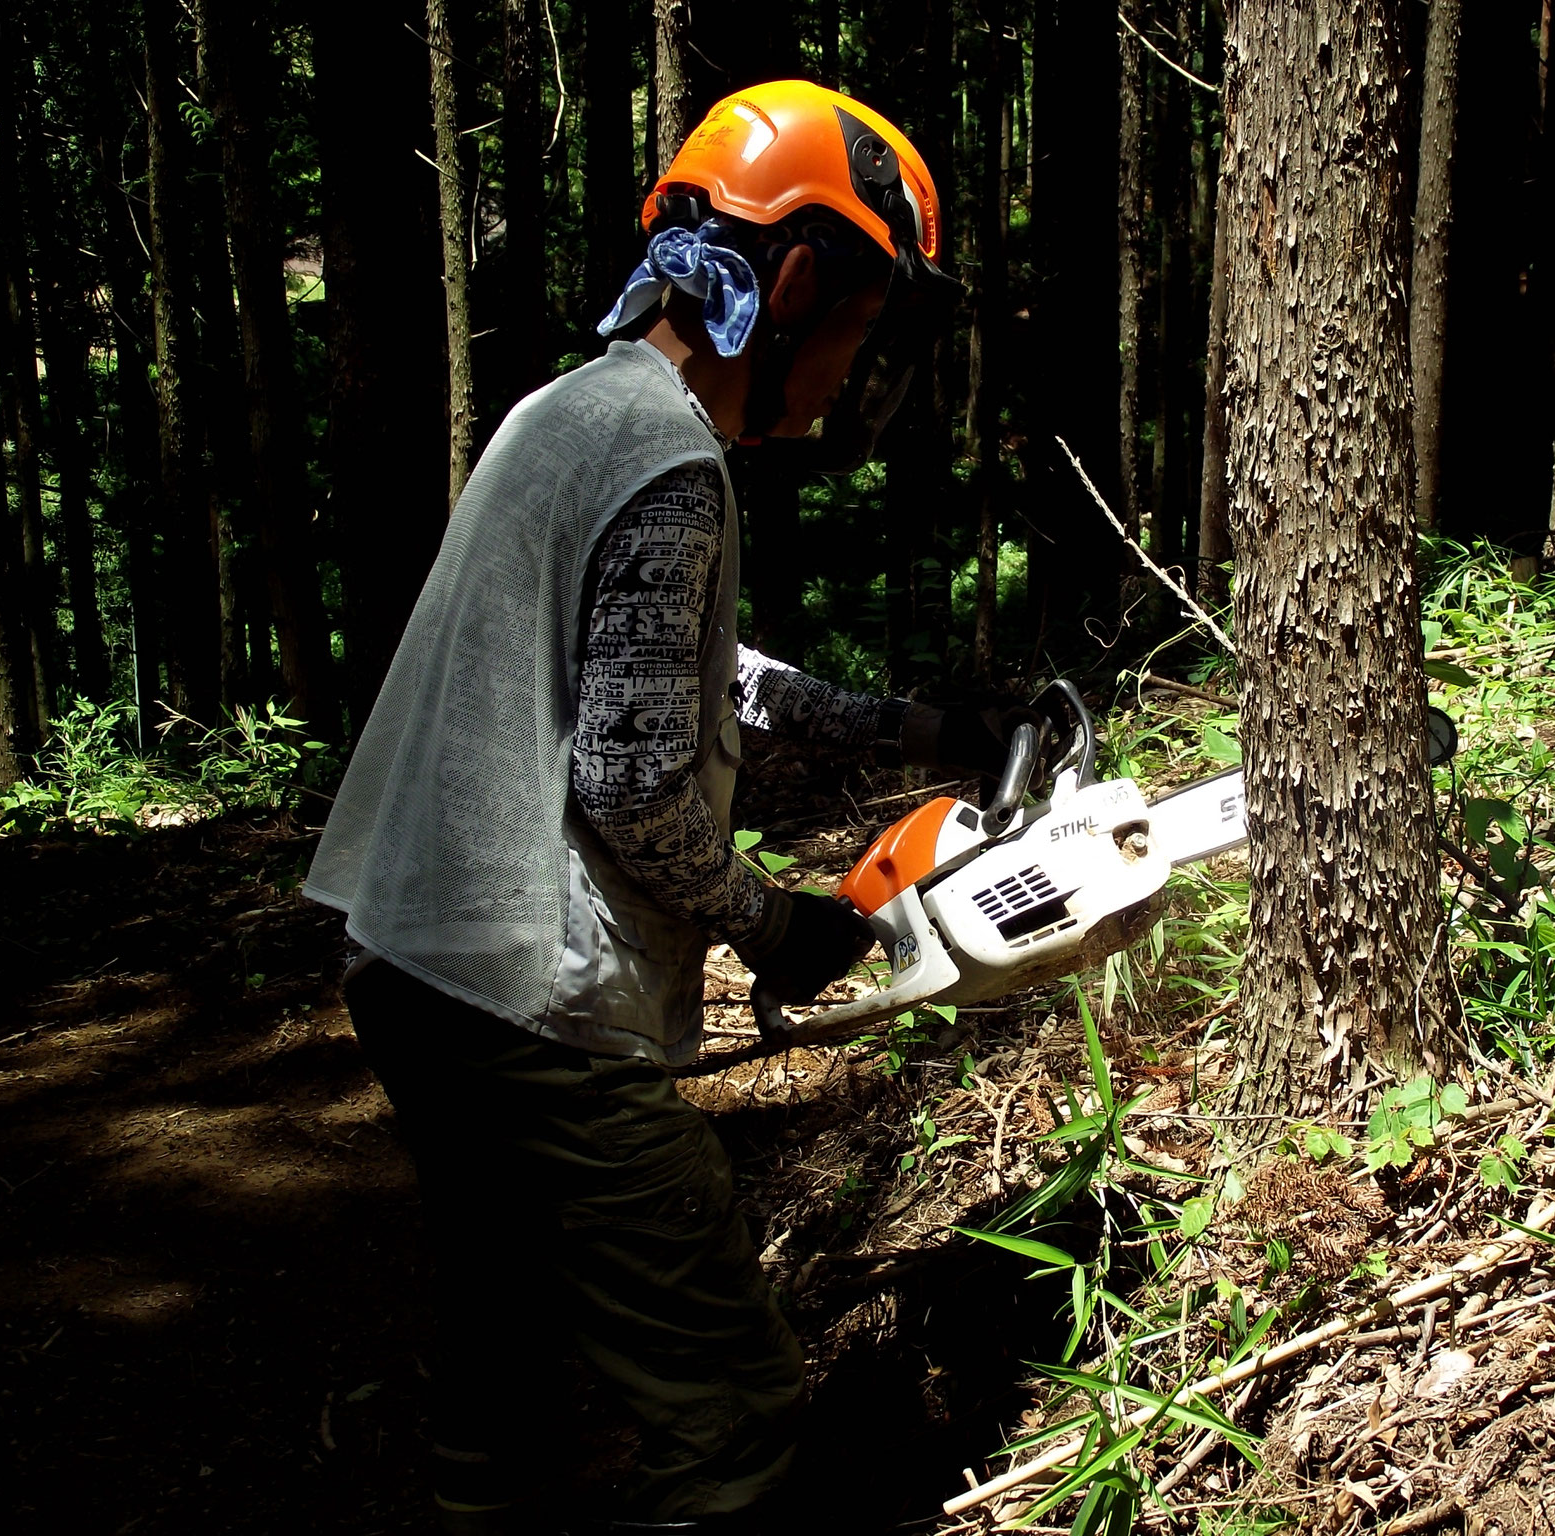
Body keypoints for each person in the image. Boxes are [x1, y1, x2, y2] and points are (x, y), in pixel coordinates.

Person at [305, 81, 1009, 1535]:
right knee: (729, 1403)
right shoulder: (675, 463)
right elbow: (627, 776)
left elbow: (699, 666)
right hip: (524, 1002)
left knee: (503, 1353)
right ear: (799, 282)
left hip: (412, 963)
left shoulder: (570, 414)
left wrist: (917, 728)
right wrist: (776, 924)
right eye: (865, 327)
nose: (850, 373)